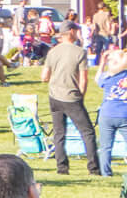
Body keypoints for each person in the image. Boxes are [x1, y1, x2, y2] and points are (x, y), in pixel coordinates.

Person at [43, 22, 101, 177]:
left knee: (59, 133)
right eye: (77, 31)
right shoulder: (80, 52)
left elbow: (44, 77)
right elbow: (84, 79)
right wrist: (81, 96)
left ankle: (62, 167)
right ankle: (93, 168)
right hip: (71, 96)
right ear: (71, 32)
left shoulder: (53, 52)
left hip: (54, 96)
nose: (78, 34)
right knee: (87, 132)